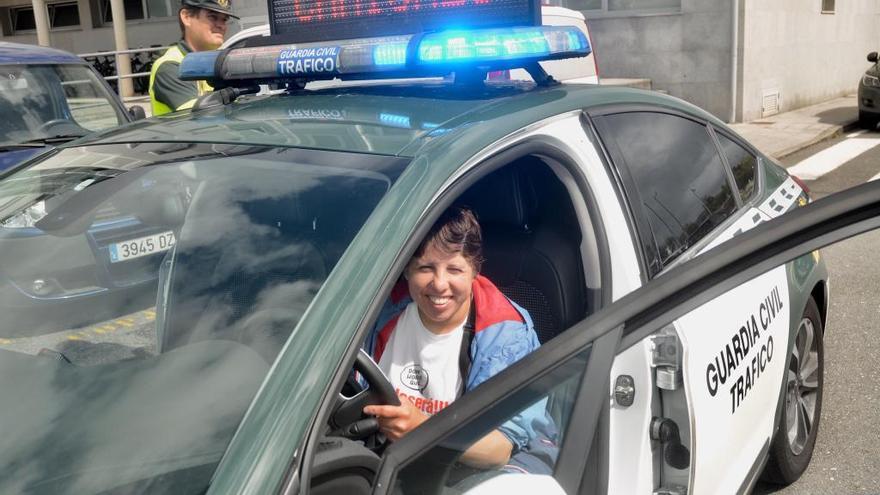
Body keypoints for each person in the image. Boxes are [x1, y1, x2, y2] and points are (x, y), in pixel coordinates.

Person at [363, 207, 551, 470]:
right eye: (425, 268)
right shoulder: (374, 310)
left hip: (456, 471)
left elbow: (500, 448)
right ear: (406, 270)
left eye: (454, 269)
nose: (439, 284)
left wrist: (422, 429)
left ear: (475, 270)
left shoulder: (507, 336)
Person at [148, 0, 237, 116]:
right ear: (186, 17)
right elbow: (202, 119)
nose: (221, 25)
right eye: (213, 17)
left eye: (224, 19)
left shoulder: (217, 62)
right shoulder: (171, 66)